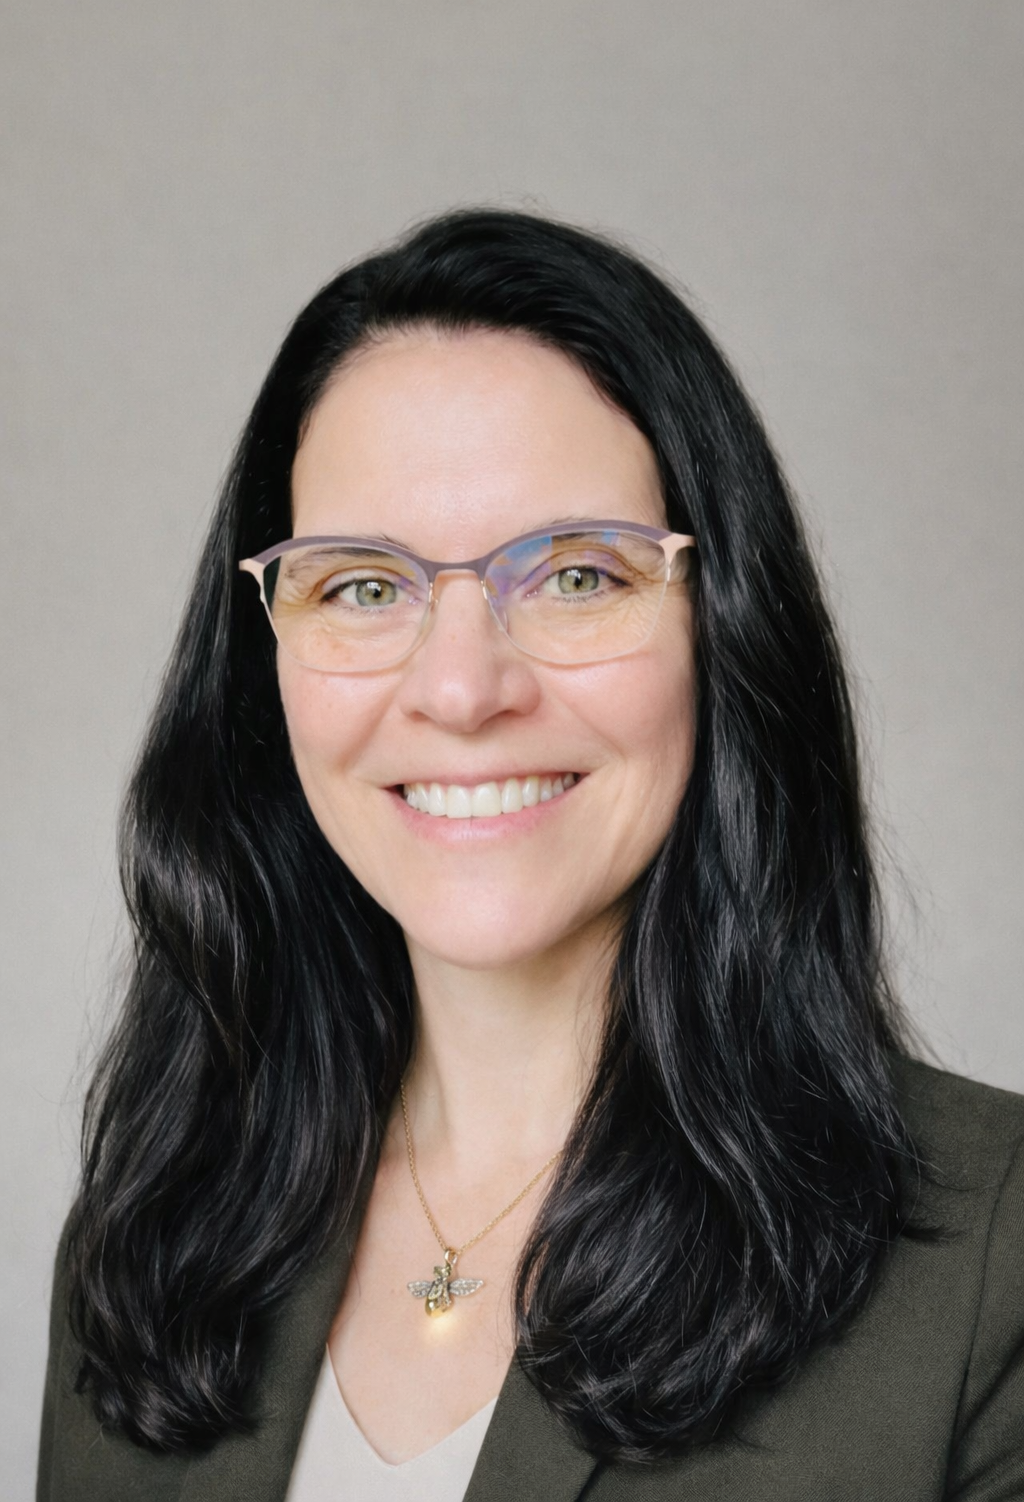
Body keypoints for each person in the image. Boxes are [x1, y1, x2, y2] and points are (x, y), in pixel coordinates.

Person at [37, 209, 1024, 1502]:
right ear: (263, 659)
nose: (459, 688)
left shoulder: (991, 1269)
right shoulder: (160, 1235)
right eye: (362, 586)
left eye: (573, 575)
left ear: (726, 632)